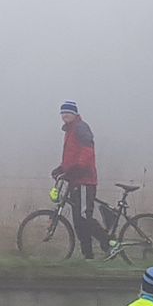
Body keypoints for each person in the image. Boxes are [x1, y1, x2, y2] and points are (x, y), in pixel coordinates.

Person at [49, 100, 111, 260]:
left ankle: (109, 242)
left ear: (75, 114)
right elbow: (72, 158)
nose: (64, 116)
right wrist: (62, 169)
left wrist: (77, 169)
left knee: (84, 217)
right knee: (79, 222)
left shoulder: (81, 127)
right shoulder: (70, 131)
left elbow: (87, 151)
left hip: (84, 180)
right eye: (62, 113)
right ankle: (88, 256)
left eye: (67, 113)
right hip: (75, 180)